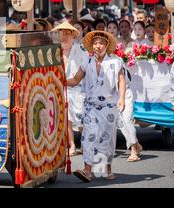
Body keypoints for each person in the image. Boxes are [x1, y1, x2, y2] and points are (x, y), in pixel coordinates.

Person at [67, 30, 126, 182]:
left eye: (101, 43)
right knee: (88, 137)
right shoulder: (86, 61)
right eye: (95, 43)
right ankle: (87, 170)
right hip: (91, 106)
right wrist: (59, 79)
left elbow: (121, 81)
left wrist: (122, 99)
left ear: (107, 45)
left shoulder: (115, 62)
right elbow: (75, 79)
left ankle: (106, 168)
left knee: (107, 139)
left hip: (109, 107)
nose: (97, 46)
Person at [53, 21, 87, 156]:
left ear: (73, 35)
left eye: (67, 33)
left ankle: (84, 144)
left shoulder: (81, 50)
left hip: (78, 89)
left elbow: (81, 73)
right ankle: (71, 145)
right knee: (66, 119)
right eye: (61, 33)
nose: (64, 36)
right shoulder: (55, 51)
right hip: (61, 89)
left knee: (81, 119)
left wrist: (65, 82)